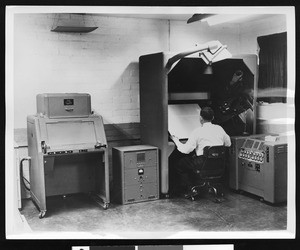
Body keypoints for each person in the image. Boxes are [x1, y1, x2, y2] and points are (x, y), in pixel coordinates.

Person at [169, 106, 231, 197]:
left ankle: (189, 189)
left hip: (202, 163)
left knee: (180, 163)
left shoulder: (197, 132)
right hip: (218, 164)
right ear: (213, 117)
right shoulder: (219, 129)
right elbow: (228, 144)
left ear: (200, 118)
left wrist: (176, 140)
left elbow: (185, 150)